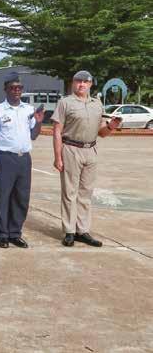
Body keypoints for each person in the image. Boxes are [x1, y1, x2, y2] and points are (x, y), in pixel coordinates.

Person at [51, 70, 121, 247]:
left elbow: (101, 133)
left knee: (86, 193)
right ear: (73, 83)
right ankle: (69, 231)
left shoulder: (97, 104)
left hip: (91, 150)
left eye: (85, 82)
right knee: (69, 193)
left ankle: (82, 231)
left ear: (90, 84)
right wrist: (58, 157)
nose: (81, 84)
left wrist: (111, 126)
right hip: (71, 149)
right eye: (78, 81)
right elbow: (57, 131)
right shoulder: (65, 103)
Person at [0, 73, 44, 248]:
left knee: (21, 198)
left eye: (19, 88)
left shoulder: (29, 110)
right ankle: (2, 234)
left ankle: (15, 233)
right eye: (12, 88)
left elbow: (33, 136)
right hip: (5, 159)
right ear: (6, 90)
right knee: (3, 197)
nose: (16, 90)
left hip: (24, 159)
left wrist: (39, 122)